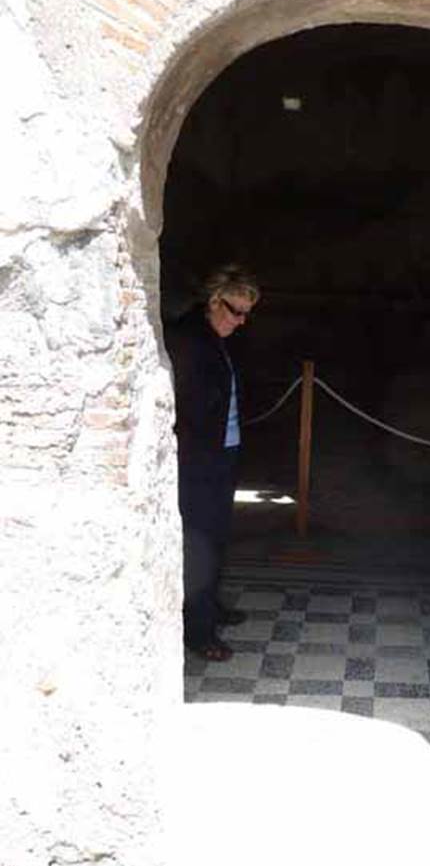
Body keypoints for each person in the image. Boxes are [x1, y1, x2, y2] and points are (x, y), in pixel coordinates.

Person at [164, 264, 261, 661]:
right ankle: (198, 630)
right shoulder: (190, 339)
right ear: (213, 301)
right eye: (235, 311)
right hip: (198, 459)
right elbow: (189, 407)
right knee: (198, 543)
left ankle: (211, 607)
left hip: (222, 452)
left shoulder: (219, 338)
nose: (240, 321)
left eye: (246, 314)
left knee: (217, 534)